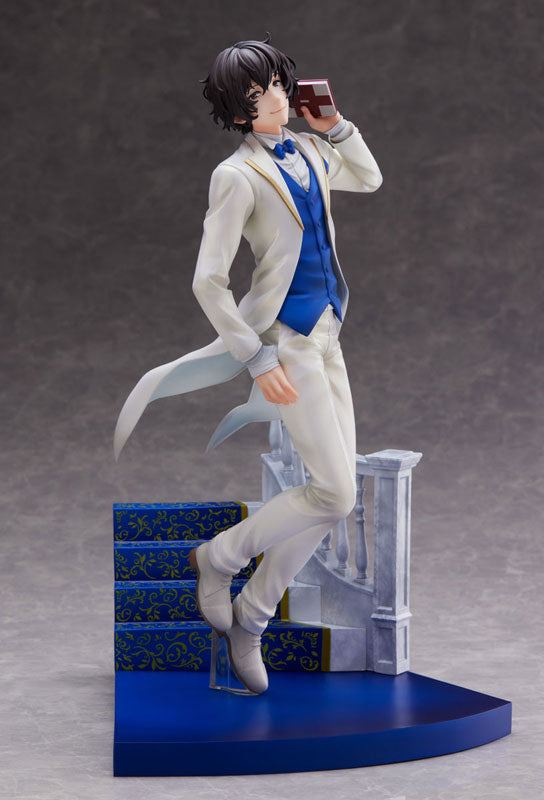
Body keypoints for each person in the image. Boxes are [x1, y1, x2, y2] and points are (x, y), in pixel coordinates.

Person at [114, 35, 382, 694]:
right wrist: (256, 356)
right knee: (334, 493)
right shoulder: (234, 176)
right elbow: (208, 280)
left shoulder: (312, 150)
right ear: (239, 109)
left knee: (331, 499)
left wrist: (335, 127)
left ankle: (250, 620)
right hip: (286, 341)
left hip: (328, 332)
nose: (279, 100)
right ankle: (220, 556)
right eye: (262, 94)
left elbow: (368, 178)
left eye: (280, 86)